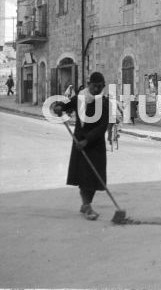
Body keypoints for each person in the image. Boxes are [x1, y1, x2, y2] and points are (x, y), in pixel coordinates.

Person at [53, 72, 109, 221]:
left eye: (100, 87)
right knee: (84, 177)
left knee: (95, 177)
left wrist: (88, 140)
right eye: (94, 86)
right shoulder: (79, 98)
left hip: (95, 145)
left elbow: (103, 126)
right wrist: (58, 107)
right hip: (80, 144)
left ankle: (86, 203)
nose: (97, 89)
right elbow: (65, 106)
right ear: (89, 84)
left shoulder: (104, 102)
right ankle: (87, 205)